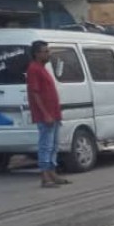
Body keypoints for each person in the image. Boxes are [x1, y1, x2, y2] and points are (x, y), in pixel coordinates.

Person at [26, 40, 70, 188]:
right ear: (36, 54)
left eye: (48, 51)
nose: (48, 54)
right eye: (45, 51)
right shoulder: (34, 69)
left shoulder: (43, 68)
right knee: (45, 145)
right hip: (46, 116)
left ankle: (52, 172)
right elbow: (35, 93)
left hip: (54, 114)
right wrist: (45, 114)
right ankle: (45, 176)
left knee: (54, 145)